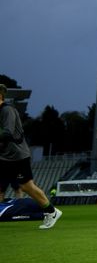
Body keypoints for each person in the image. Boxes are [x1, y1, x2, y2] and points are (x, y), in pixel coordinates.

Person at [0, 84, 62, 229]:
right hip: (4, 157)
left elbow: (7, 133)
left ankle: (51, 211)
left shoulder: (7, 110)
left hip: (17, 156)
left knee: (27, 187)